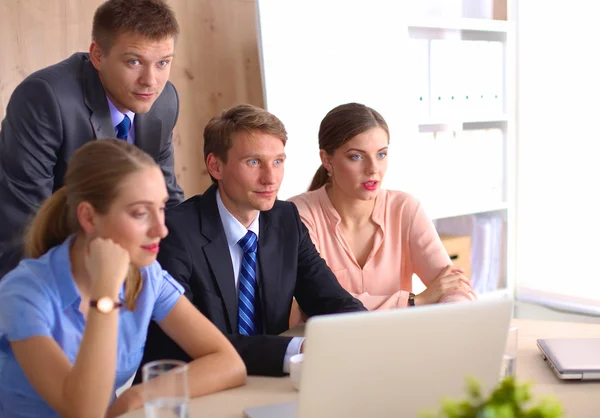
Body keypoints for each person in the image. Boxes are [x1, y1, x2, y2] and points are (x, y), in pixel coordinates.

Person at [0, 140, 246, 418]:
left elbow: (228, 363)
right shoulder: (23, 293)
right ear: (89, 218)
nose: (161, 229)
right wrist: (104, 294)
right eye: (140, 213)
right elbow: (84, 412)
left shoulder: (145, 275)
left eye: (162, 208)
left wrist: (137, 395)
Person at [138, 104, 366, 378]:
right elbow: (192, 344)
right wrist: (298, 349)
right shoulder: (176, 232)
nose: (271, 178)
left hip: (266, 380)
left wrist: (364, 330)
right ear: (215, 166)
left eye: (278, 161)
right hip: (190, 388)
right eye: (254, 162)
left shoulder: (286, 220)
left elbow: (330, 299)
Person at [0, 0, 184, 279]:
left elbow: (168, 200)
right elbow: (23, 225)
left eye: (162, 63)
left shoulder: (164, 100)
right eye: (134, 61)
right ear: (97, 55)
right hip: (51, 269)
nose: (151, 80)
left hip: (124, 262)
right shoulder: (45, 98)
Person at [288, 102, 476, 314]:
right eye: (356, 156)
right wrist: (415, 301)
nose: (373, 169)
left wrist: (452, 309)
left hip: (395, 341)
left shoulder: (405, 209)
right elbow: (322, 303)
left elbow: (454, 286)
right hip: (328, 344)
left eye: (381, 154)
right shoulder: (297, 214)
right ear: (327, 160)